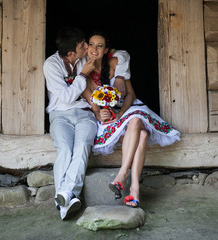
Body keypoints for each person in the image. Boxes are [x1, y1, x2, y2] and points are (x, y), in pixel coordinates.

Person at [82, 31, 181, 208]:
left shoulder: (116, 64)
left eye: (100, 46)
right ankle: (134, 190)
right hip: (111, 118)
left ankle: (122, 174)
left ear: (106, 50)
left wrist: (121, 114)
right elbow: (94, 108)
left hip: (130, 109)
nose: (94, 49)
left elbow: (130, 95)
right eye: (91, 44)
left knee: (135, 120)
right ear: (86, 47)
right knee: (141, 136)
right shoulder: (84, 74)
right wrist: (100, 115)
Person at [43, 27, 130, 220]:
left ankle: (64, 198)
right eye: (84, 45)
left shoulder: (85, 59)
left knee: (82, 146)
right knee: (65, 149)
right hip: (60, 114)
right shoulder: (51, 65)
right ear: (73, 52)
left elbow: (121, 54)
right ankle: (67, 198)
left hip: (85, 114)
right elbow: (66, 96)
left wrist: (121, 75)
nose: (89, 48)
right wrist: (82, 75)